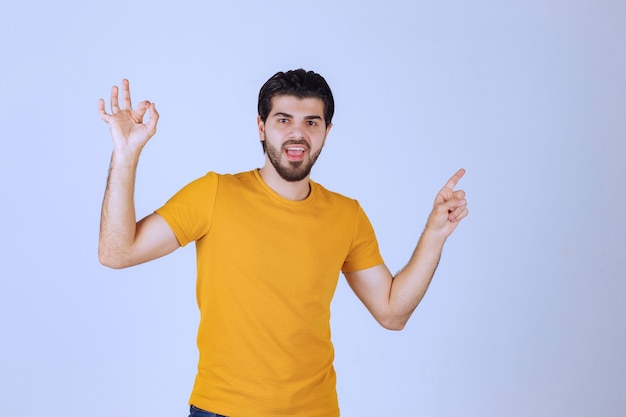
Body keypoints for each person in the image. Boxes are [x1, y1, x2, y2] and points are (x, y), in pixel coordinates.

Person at [98, 69, 468, 417]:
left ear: (327, 131)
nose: (298, 133)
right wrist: (126, 154)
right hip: (222, 409)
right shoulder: (214, 194)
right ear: (261, 127)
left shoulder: (347, 215)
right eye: (283, 120)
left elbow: (392, 312)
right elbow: (117, 252)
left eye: (311, 122)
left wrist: (435, 233)